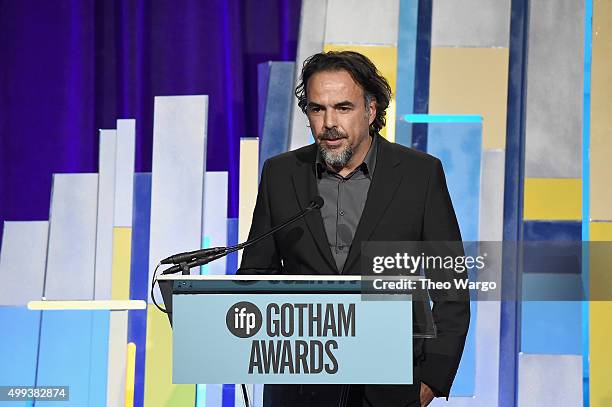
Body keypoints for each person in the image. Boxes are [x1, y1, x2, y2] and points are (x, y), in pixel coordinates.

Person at [238, 51, 470, 407]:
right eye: (317, 109)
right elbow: (257, 272)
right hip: (300, 387)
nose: (329, 122)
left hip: (391, 388)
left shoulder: (419, 175)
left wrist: (431, 380)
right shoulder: (280, 174)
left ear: (370, 110)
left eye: (343, 108)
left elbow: (450, 285)